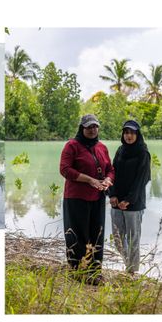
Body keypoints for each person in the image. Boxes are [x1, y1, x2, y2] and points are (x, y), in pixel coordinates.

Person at [59, 114, 114, 281]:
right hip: (77, 198)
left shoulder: (102, 147)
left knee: (97, 234)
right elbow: (65, 169)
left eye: (95, 126)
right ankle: (77, 271)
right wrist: (89, 180)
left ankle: (95, 271)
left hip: (97, 197)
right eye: (89, 127)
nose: (92, 130)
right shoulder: (72, 146)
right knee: (77, 234)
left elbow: (110, 169)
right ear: (82, 128)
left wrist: (108, 179)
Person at [108, 120, 151, 274]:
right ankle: (129, 265)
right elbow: (112, 173)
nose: (129, 136)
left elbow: (142, 179)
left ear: (137, 135)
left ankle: (132, 272)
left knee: (133, 239)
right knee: (118, 239)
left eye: (132, 133)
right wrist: (112, 194)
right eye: (126, 132)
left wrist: (129, 200)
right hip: (116, 202)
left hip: (134, 204)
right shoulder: (120, 150)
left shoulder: (143, 153)